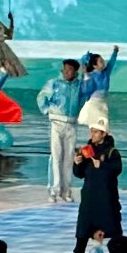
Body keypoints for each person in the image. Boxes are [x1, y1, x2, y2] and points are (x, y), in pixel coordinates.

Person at [67, 118, 125, 253]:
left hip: (107, 198)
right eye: (91, 131)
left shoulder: (112, 152)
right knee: (83, 229)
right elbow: (79, 174)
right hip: (89, 197)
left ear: (103, 134)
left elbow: (117, 169)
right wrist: (77, 163)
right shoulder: (86, 150)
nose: (92, 134)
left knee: (114, 230)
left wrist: (102, 165)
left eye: (95, 132)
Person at [40, 60, 82, 204]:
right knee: (56, 156)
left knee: (69, 158)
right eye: (65, 69)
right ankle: (54, 191)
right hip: (57, 123)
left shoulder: (79, 85)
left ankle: (67, 191)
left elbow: (85, 98)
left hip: (72, 124)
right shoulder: (54, 83)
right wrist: (48, 111)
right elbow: (42, 97)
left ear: (75, 71)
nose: (67, 72)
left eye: (70, 70)